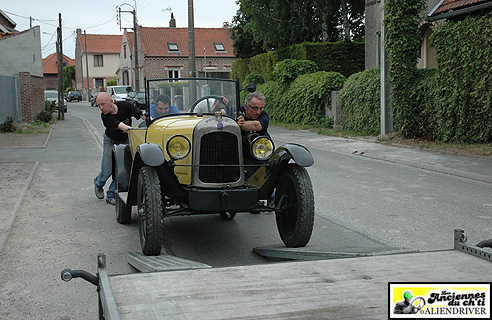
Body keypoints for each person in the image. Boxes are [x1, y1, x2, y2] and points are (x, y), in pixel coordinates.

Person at [94, 92, 146, 205]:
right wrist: (133, 130)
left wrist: (150, 119)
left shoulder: (125, 105)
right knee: (107, 170)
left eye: (103, 104)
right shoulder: (105, 117)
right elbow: (123, 127)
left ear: (111, 102)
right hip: (111, 139)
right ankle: (98, 183)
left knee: (124, 168)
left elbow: (140, 113)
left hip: (126, 139)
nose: (101, 108)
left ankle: (111, 194)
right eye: (98, 105)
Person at [237, 91, 269, 179]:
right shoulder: (238, 110)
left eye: (260, 108)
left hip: (257, 158)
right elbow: (224, 112)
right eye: (255, 108)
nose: (258, 112)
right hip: (239, 156)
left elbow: (256, 125)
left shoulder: (264, 116)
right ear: (246, 106)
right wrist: (219, 105)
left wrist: (239, 124)